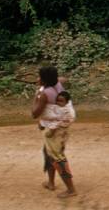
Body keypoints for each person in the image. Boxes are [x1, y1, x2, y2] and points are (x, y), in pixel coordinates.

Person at [31, 66, 76, 198]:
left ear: (44, 80)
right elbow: (64, 79)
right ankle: (51, 183)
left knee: (57, 158)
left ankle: (71, 190)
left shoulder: (44, 94)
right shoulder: (59, 83)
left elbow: (34, 114)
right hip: (62, 126)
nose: (37, 78)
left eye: (40, 77)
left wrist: (36, 98)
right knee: (48, 152)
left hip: (55, 129)